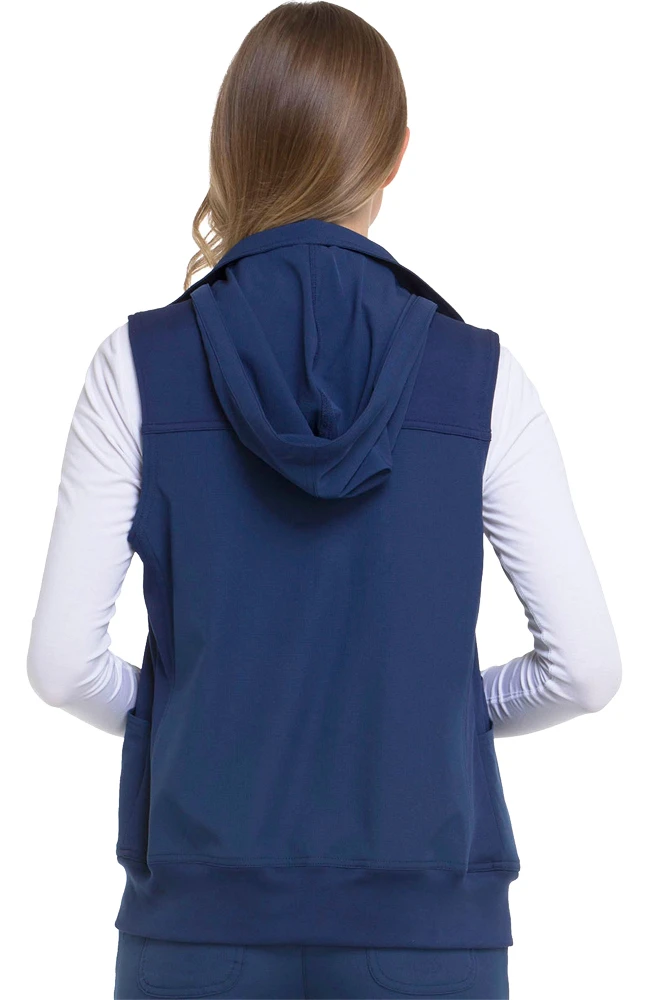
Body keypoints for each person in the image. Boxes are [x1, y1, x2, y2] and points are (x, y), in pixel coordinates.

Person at [26, 3, 622, 998]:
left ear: (232, 148)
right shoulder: (479, 377)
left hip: (197, 927)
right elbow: (587, 670)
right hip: (427, 932)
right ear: (394, 157)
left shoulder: (135, 366)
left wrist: (185, 713)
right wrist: (444, 708)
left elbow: (60, 666)